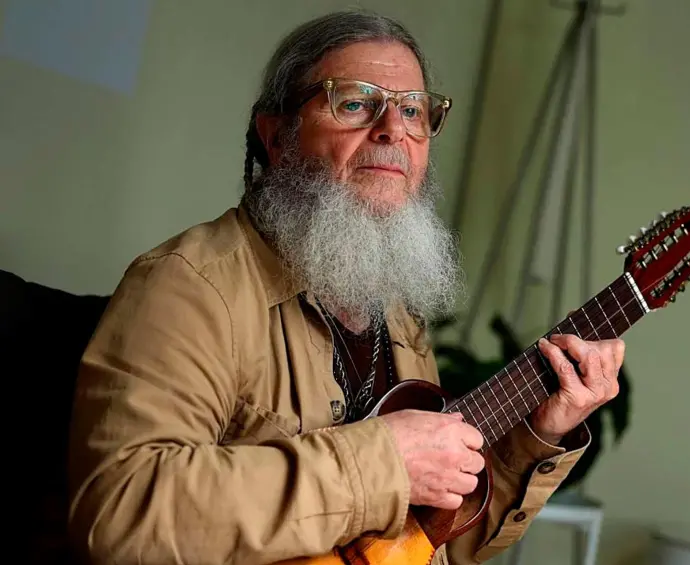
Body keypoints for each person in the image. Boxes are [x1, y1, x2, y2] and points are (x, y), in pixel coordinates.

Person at [67, 10, 625, 565]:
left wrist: (536, 436)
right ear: (277, 138)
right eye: (355, 103)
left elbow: (422, 545)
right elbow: (122, 514)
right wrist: (384, 462)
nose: (392, 130)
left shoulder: (398, 317)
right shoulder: (189, 285)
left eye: (413, 110)